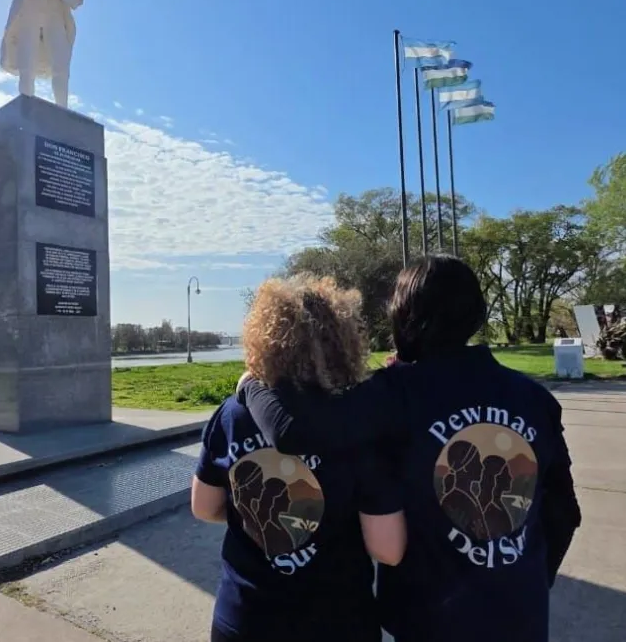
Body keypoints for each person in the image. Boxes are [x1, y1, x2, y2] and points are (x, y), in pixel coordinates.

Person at [238, 255, 582, 642]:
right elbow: (564, 511)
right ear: (476, 315)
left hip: (428, 620)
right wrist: (529, 582)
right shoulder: (534, 398)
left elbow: (291, 431)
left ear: (404, 317)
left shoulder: (393, 393)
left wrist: (251, 384)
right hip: (521, 616)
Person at [191, 274, 406, 642]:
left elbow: (204, 506)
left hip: (244, 618)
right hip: (338, 623)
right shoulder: (358, 422)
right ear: (344, 342)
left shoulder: (233, 413)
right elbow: (388, 550)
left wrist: (258, 516)